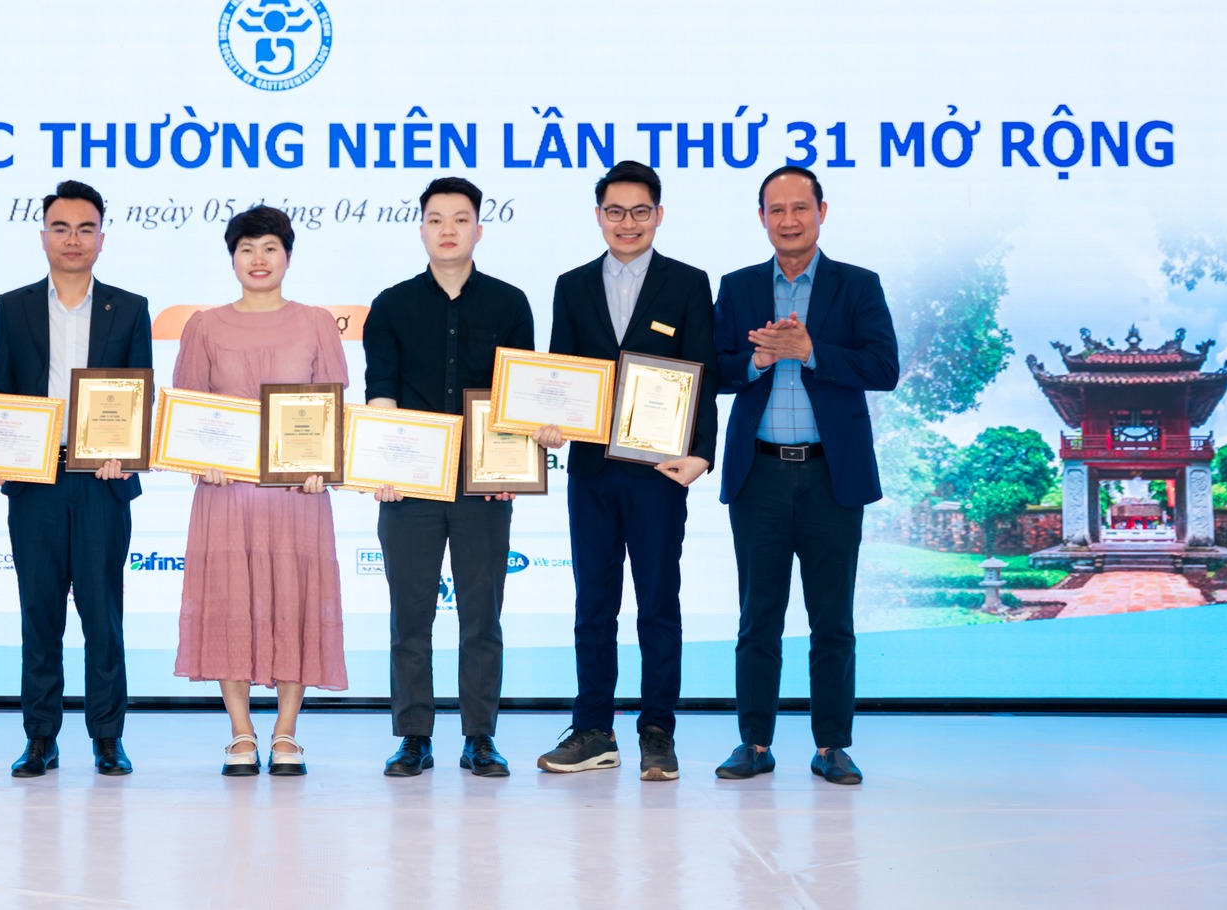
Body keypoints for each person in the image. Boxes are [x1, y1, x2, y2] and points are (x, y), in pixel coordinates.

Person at [711, 166, 898, 787]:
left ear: (822, 211)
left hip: (830, 476)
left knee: (832, 621)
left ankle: (831, 746)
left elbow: (883, 367)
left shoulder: (858, 285)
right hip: (759, 475)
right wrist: (758, 359)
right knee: (757, 619)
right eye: (776, 209)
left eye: (800, 207)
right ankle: (754, 743)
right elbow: (713, 369)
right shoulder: (738, 287)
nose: (788, 220)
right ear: (761, 217)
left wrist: (810, 351)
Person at [534, 161, 718, 781]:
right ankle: (593, 730)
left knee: (658, 603)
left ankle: (657, 731)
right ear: (598, 216)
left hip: (659, 472)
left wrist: (702, 453)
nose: (628, 223)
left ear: (658, 215)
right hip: (590, 470)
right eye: (615, 211)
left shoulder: (687, 283)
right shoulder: (571, 285)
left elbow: (704, 372)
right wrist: (550, 422)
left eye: (640, 211)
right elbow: (560, 372)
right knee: (594, 605)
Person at [361, 177, 532, 780]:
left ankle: (480, 736)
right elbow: (381, 390)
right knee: (410, 616)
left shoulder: (509, 304)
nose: (448, 230)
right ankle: (414, 737)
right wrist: (384, 466)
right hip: (410, 485)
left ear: (479, 228)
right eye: (436, 219)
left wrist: (512, 466)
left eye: (460, 219)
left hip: (485, 483)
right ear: (422, 229)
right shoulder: (391, 305)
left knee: (481, 615)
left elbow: (517, 396)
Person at [0, 181, 154, 778]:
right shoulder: (14, 307)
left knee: (103, 616)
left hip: (102, 481)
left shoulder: (129, 308)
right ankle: (40, 739)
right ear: (43, 237)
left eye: (85, 229)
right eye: (61, 228)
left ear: (102, 239)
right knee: (39, 615)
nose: (73, 239)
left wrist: (125, 454)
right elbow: (2, 392)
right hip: (36, 481)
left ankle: (108, 738)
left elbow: (138, 395)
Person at [173, 205, 349, 777]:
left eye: (270, 247)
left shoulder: (316, 323)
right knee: (230, 604)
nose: (258, 259)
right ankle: (241, 733)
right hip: (227, 496)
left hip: (297, 496)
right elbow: (188, 411)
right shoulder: (204, 326)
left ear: (288, 257)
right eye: (246, 248)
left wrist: (322, 466)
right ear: (232, 258)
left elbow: (331, 412)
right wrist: (201, 461)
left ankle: (287, 732)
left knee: (294, 606)